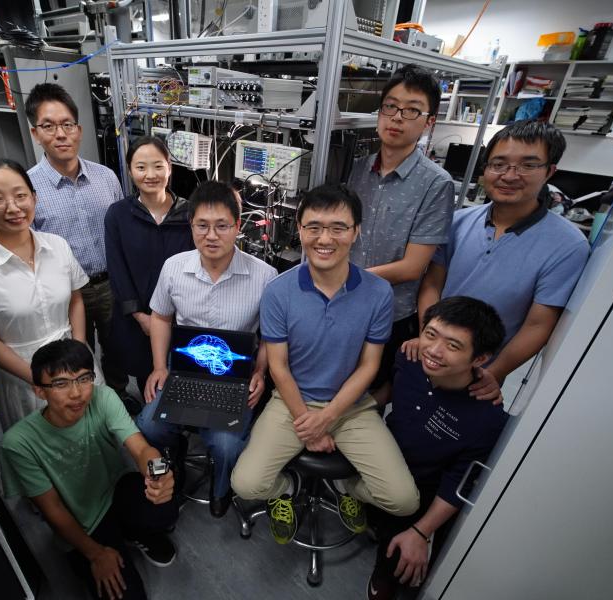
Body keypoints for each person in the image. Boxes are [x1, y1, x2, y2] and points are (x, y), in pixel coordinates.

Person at [231, 184, 419, 545]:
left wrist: (328, 417)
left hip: (351, 407)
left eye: (338, 228)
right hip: (290, 403)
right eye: (314, 227)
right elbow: (279, 368)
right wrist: (309, 423)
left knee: (403, 501)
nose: (325, 238)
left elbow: (369, 367)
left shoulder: (377, 292)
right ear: (299, 230)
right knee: (247, 484)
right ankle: (286, 490)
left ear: (356, 231)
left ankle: (347, 487)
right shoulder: (278, 291)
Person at [406, 120, 590, 402]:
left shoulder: (568, 245)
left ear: (550, 171)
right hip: (428, 357)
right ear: (485, 169)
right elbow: (432, 284)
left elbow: (538, 325)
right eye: (499, 164)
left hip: (478, 373)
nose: (510, 175)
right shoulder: (457, 222)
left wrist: (496, 371)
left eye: (528, 165)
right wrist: (429, 340)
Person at [136, 180, 277, 518]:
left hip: (234, 376)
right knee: (150, 425)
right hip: (185, 367)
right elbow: (160, 317)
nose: (211, 235)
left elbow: (272, 336)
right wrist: (159, 366)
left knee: (226, 444)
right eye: (202, 225)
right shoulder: (174, 267)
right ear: (191, 226)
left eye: (222, 226)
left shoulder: (265, 276)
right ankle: (175, 454)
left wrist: (260, 372)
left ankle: (221, 484)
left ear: (237, 227)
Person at [1, 339, 177, 600]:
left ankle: (133, 532)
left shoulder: (103, 396)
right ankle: (106, 546)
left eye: (84, 379)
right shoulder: (18, 443)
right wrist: (96, 554)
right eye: (61, 383)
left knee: (166, 505)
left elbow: (141, 449)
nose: (77, 393)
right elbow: (53, 510)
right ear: (39, 391)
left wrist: (160, 472)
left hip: (115, 489)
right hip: (82, 523)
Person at [366, 297, 507, 600]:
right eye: (430, 335)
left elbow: (460, 482)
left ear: (480, 359)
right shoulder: (409, 357)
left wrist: (421, 532)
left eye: (453, 346)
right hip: (384, 457)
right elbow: (393, 387)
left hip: (423, 494)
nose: (434, 351)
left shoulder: (487, 416)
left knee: (400, 572)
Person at [0, 158, 88, 430]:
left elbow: (76, 298)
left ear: (34, 197)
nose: (13, 208)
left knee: (93, 435)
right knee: (45, 451)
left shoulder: (57, 246)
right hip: (24, 377)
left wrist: (80, 352)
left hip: (75, 364)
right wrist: (42, 380)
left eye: (20, 195)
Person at [347, 64, 456, 399]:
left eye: (411, 111)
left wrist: (344, 279)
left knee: (364, 400)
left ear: (430, 121)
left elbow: (412, 267)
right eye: (390, 107)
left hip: (386, 315)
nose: (396, 118)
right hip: (341, 306)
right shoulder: (358, 168)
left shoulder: (436, 184)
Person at [25, 82, 129, 401]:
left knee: (116, 348)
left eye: (67, 124)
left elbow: (122, 231)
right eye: (49, 126)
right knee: (74, 354)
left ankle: (118, 396)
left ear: (79, 129)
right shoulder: (27, 188)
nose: (60, 134)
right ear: (35, 133)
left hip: (110, 284)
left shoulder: (106, 177)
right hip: (65, 292)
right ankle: (87, 403)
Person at [104, 136, 194, 397]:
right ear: (130, 171)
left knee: (187, 374)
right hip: (138, 317)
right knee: (150, 382)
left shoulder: (189, 214)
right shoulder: (118, 215)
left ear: (170, 168)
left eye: (158, 166)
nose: (150, 174)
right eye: (141, 167)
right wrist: (141, 316)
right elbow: (117, 270)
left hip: (184, 316)